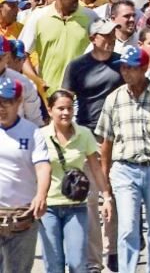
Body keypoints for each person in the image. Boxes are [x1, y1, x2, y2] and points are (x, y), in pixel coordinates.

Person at [95, 45, 150, 273]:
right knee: (127, 228)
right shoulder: (114, 99)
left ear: (143, 68)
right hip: (124, 168)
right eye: (122, 68)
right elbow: (106, 143)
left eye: (130, 68)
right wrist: (105, 185)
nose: (125, 72)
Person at [40, 89, 112, 273]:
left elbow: (95, 167)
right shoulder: (40, 136)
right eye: (60, 108)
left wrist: (106, 196)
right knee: (53, 264)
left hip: (77, 206)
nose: (65, 113)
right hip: (48, 208)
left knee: (78, 263)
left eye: (69, 108)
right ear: (50, 110)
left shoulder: (84, 134)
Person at [0, 77, 50, 272]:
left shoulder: (31, 132)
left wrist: (41, 195)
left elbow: (43, 166)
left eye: (8, 102)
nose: (2, 108)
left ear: (19, 101)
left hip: (21, 218)